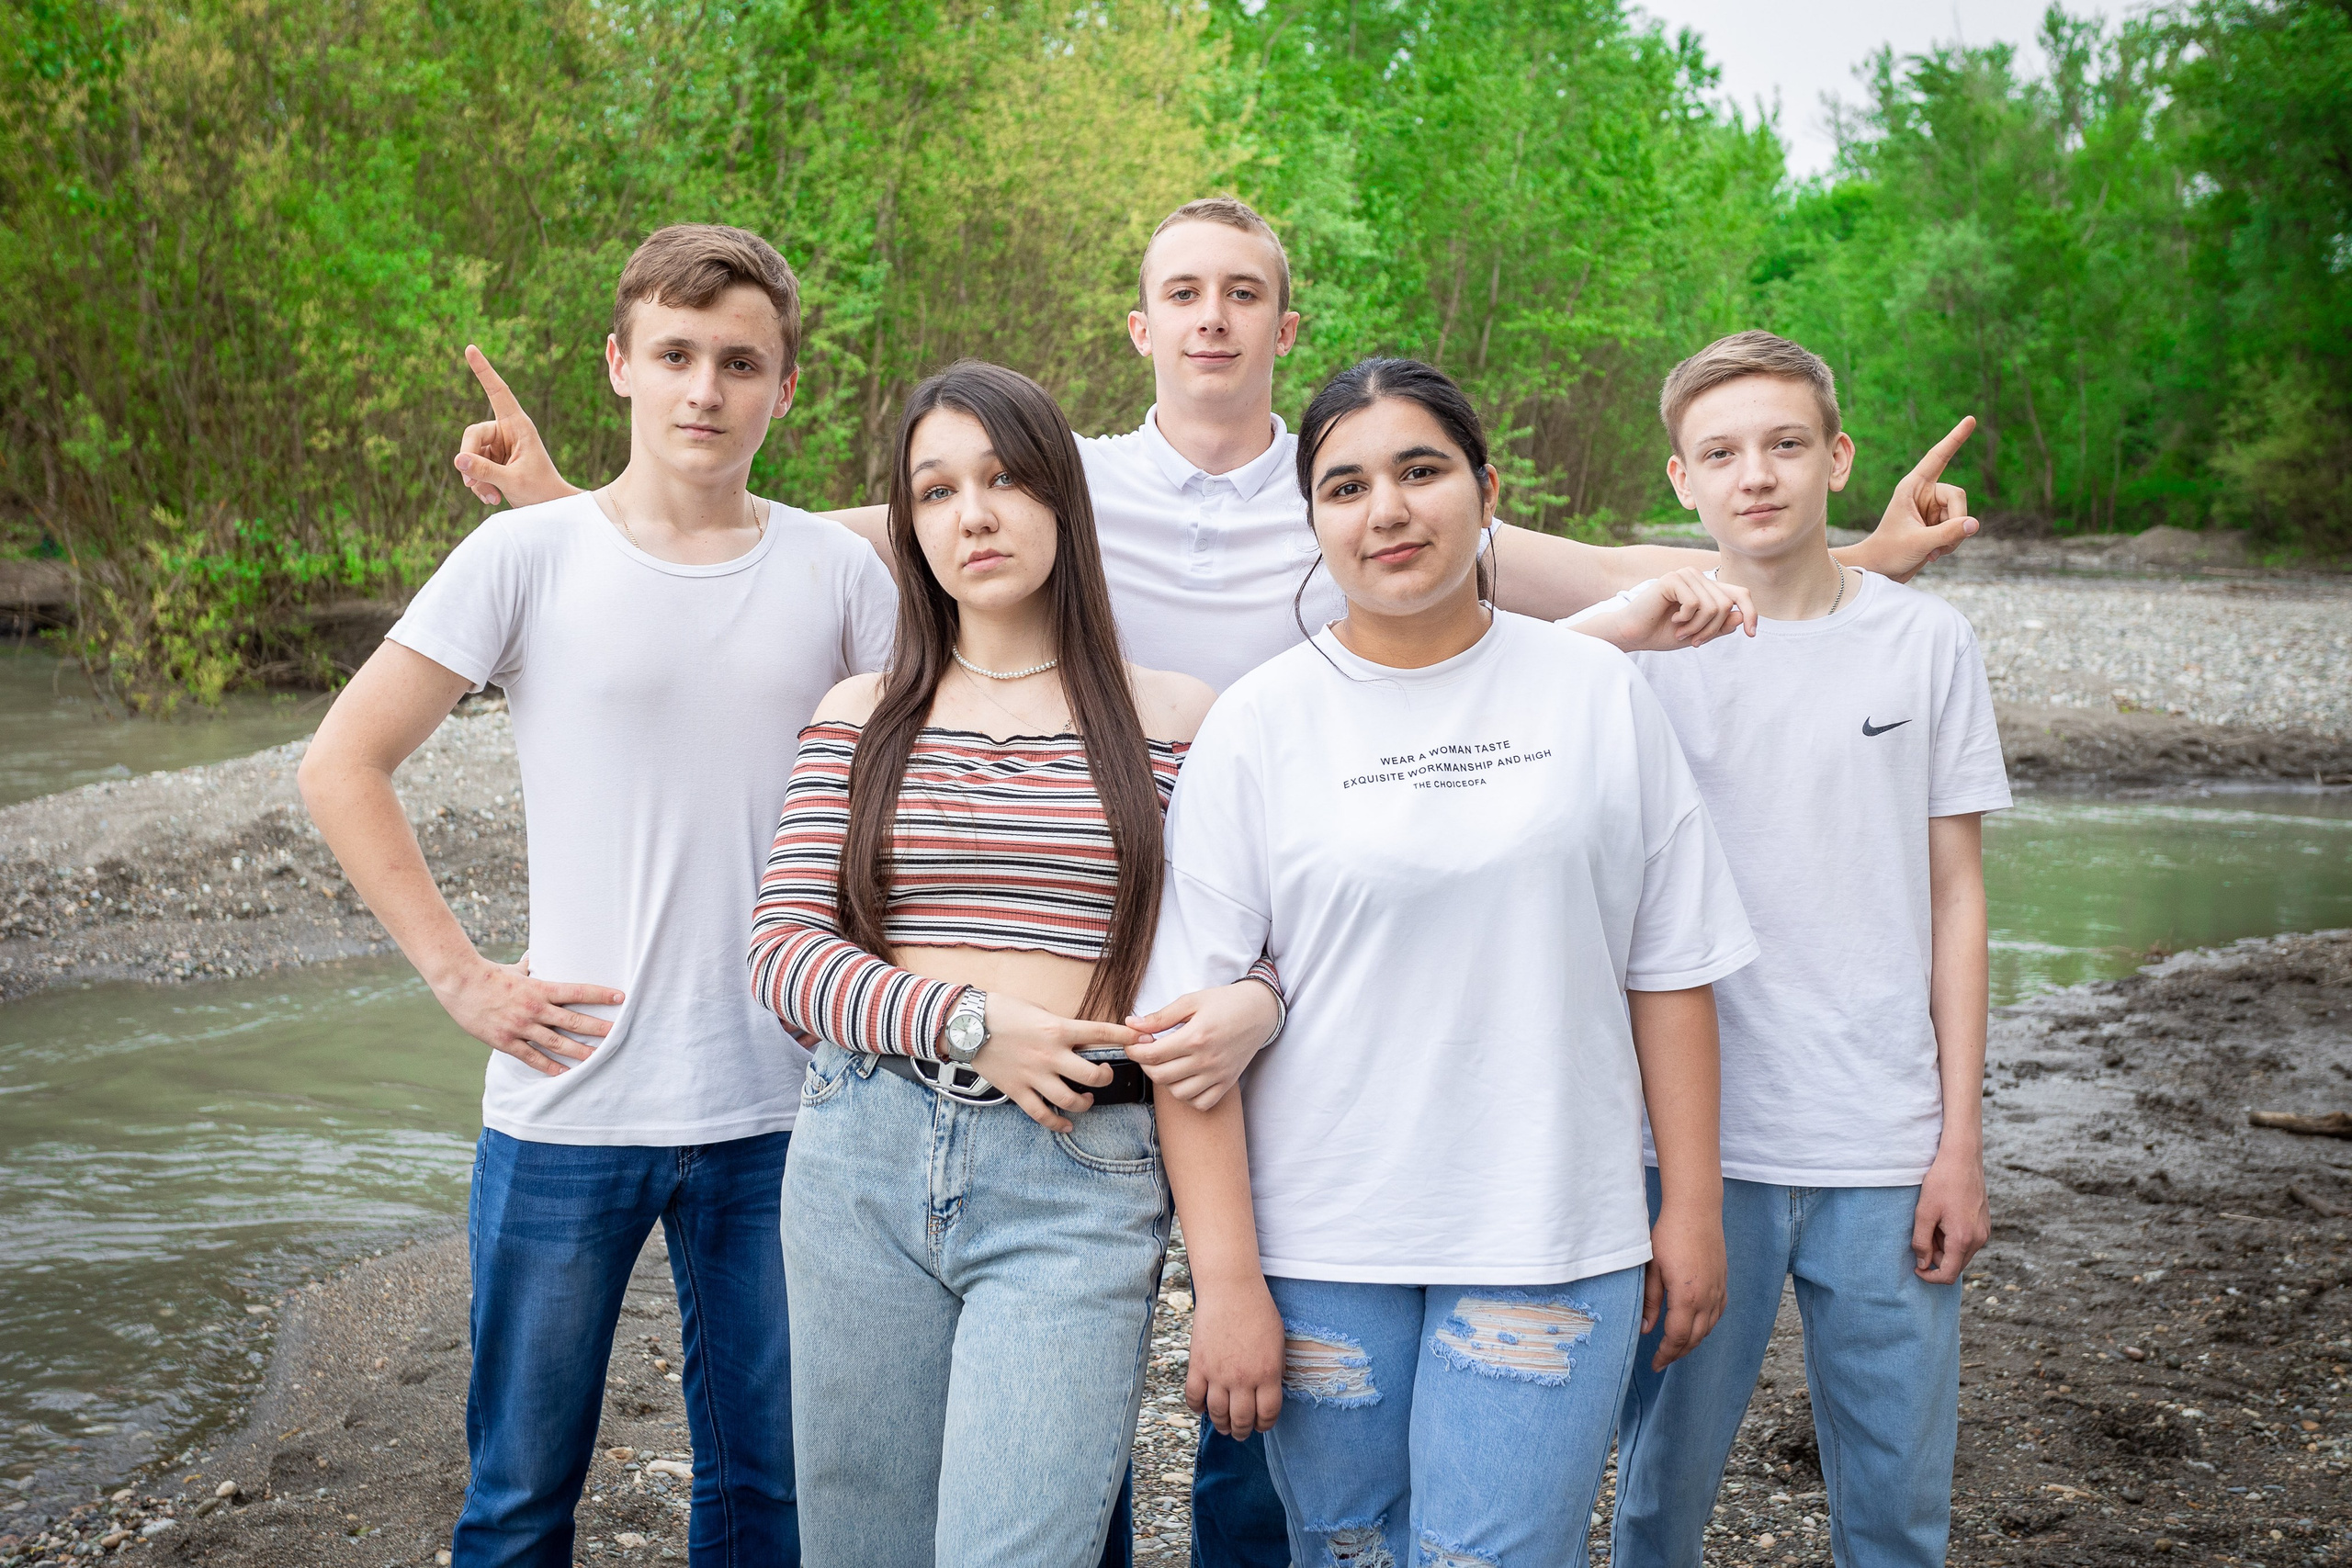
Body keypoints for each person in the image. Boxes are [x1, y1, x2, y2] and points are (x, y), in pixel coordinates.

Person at [443, 197, 1981, 1566]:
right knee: (876, 1516)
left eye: (1242, 294)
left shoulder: (1224, 701)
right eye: (1184, 293)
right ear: (1142, 323)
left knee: (1144, 1496)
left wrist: (1857, 571)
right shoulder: (962, 643)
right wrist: (567, 507)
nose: (975, 513)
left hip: (1152, 1095)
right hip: (933, 1121)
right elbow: (759, 544)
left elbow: (1514, 639)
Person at [299, 224, 897, 1567]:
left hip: (785, 1104)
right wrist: (462, 976)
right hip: (570, 1095)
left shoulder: (840, 577)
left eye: (740, 363)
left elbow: (917, 801)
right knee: (518, 1499)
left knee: (773, 1495)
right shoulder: (529, 556)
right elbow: (342, 763)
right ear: (621, 362)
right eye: (675, 355)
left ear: (784, 388)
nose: (705, 389)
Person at [1141, 357, 1763, 1568]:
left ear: (1486, 489)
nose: (1388, 511)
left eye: (1421, 471)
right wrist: (1224, 1285)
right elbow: (1189, 1039)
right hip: (1320, 1244)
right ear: (1311, 519)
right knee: (1349, 1551)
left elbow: (1670, 971)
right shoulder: (1261, 725)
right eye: (1346, 485)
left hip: (1551, 1231)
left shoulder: (1594, 692)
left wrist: (1690, 1210)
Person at [745, 359, 1285, 1566]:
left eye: (1002, 479)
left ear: (1061, 502)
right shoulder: (863, 710)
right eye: (934, 492)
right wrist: (971, 1020)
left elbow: (1263, 948)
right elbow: (782, 956)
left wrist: (1255, 1003)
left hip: (1079, 1175)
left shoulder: (1175, 718)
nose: (971, 514)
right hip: (861, 1161)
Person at [1599, 332, 2012, 1568]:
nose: (1757, 476)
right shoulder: (1636, 662)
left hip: (1884, 1145)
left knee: (1897, 1512)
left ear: (1837, 458)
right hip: (1689, 1148)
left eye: (1786, 444)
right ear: (1681, 482)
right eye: (1721, 454)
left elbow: (1957, 899)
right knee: (1659, 1500)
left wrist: (1960, 1143)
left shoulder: (1925, 645)